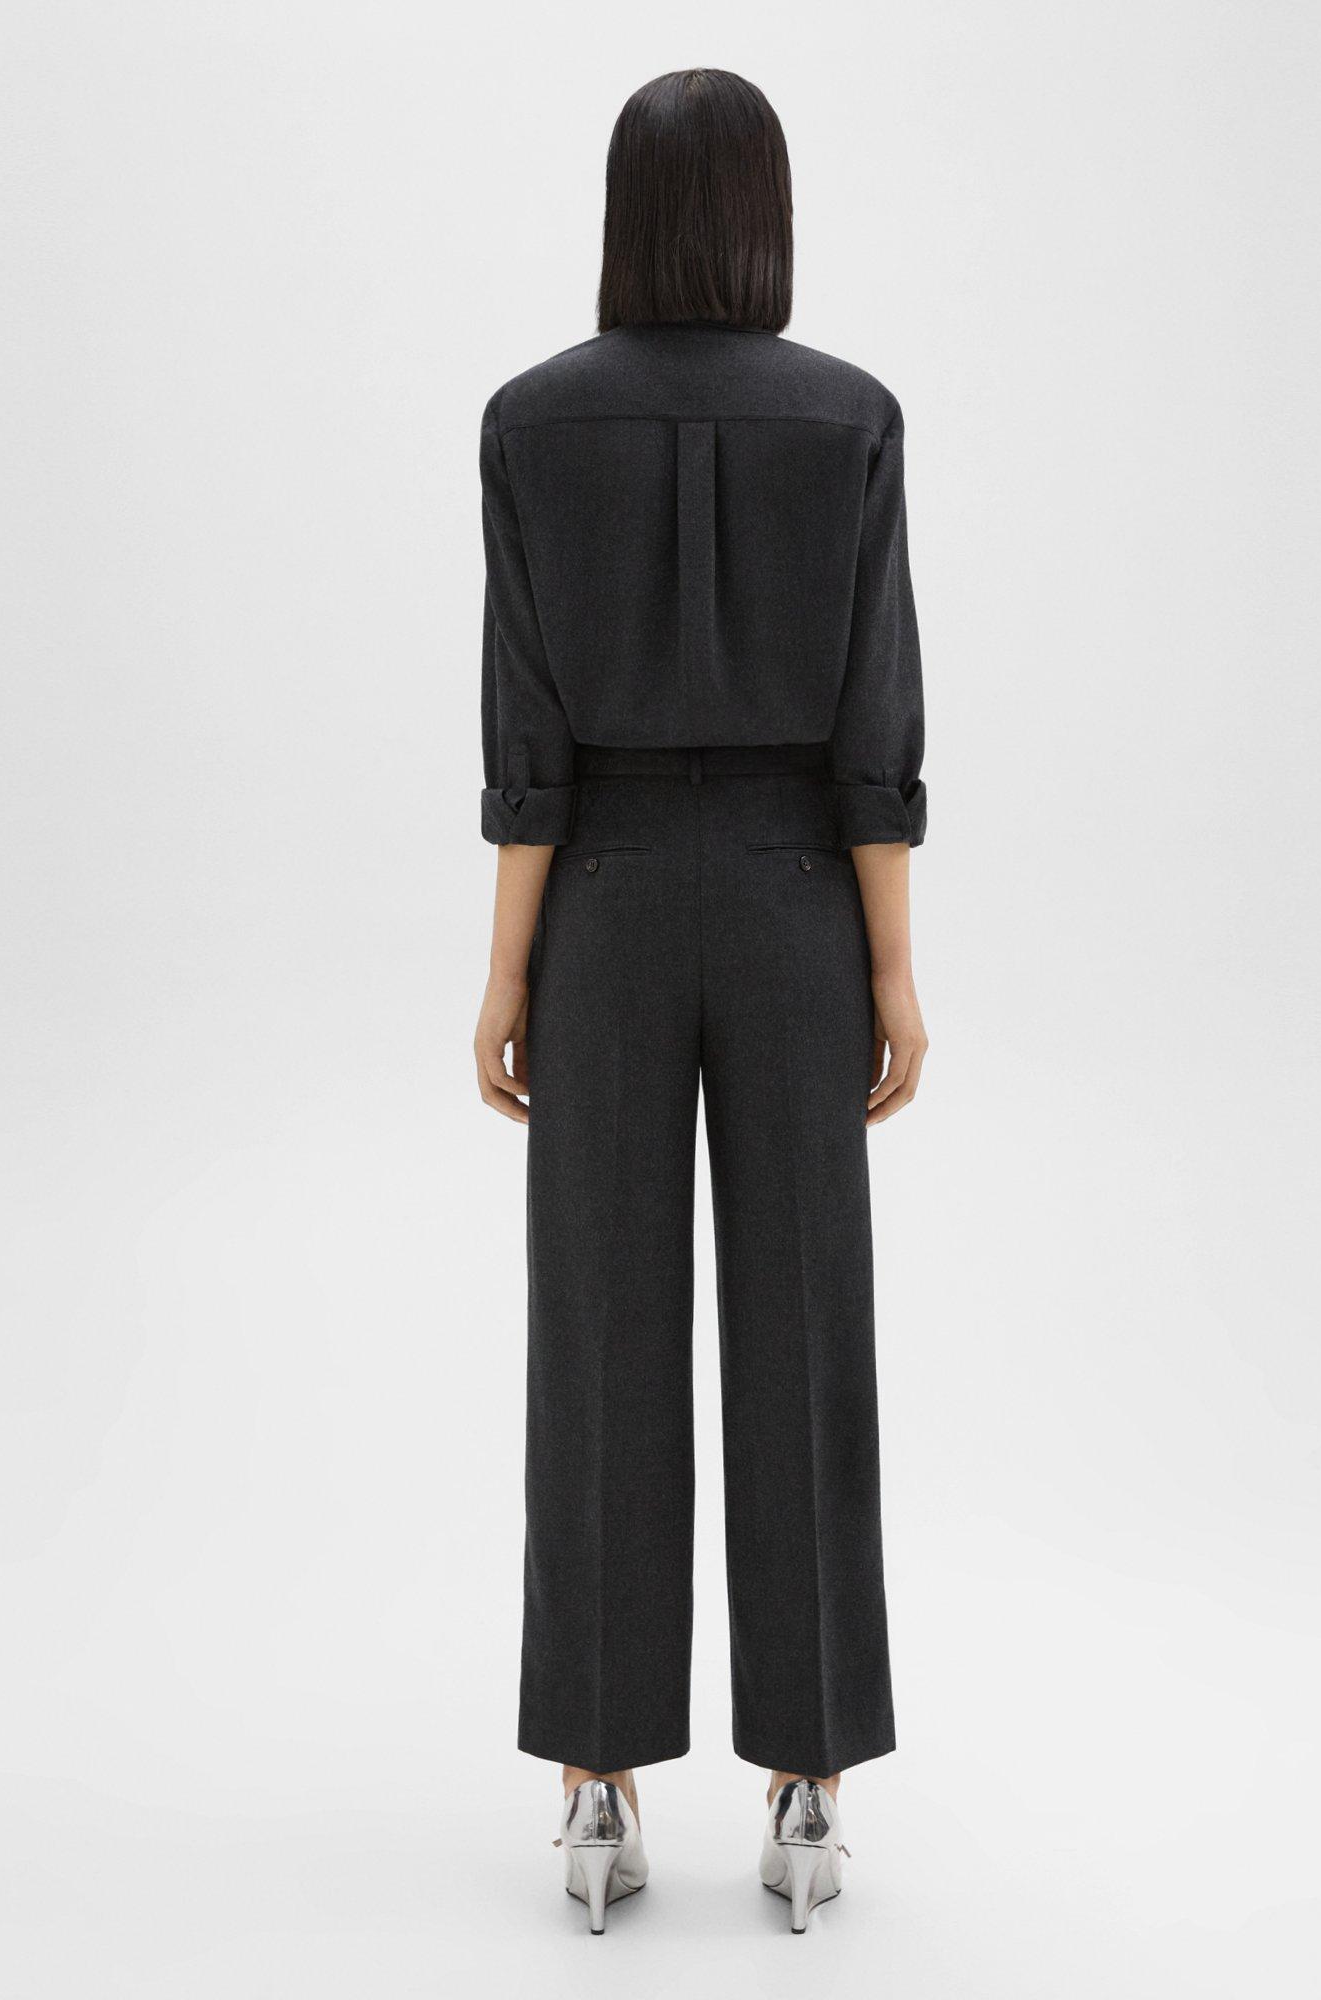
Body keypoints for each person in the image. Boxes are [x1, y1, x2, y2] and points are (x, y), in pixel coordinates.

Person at [471, 68, 928, 1936]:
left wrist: (508, 962)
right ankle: (807, 1785)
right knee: (808, 1316)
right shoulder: (851, 417)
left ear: (625, 211)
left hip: (598, 902)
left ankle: (597, 1785)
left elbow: (525, 727)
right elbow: (876, 714)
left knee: (600, 1321)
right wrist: (891, 960)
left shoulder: (530, 422)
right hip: (799, 896)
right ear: (764, 212)